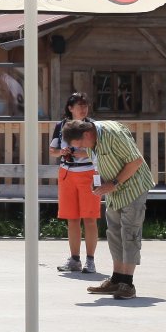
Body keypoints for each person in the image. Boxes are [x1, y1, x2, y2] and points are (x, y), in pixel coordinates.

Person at [63, 118, 156, 301]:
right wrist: (98, 183)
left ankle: (128, 284)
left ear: (87, 134)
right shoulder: (91, 140)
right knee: (114, 232)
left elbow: (136, 161)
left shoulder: (114, 134)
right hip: (114, 190)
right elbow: (100, 164)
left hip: (133, 187)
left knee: (130, 233)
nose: (80, 149)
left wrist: (113, 183)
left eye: (80, 144)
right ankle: (117, 279)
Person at [49, 92, 100, 274]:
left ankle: (90, 260)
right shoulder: (61, 125)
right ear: (70, 108)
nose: (83, 109)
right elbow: (52, 150)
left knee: (90, 218)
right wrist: (62, 152)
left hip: (88, 173)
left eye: (85, 105)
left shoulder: (93, 126)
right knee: (72, 218)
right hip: (67, 174)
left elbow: (102, 149)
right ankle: (74, 259)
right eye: (80, 105)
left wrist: (86, 153)